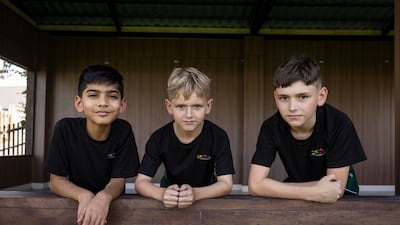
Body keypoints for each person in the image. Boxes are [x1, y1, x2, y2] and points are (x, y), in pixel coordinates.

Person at [248, 55, 367, 203]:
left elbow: (334, 188)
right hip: (301, 189)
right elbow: (254, 185)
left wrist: (276, 188)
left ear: (321, 96)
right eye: (284, 98)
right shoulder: (270, 127)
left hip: (342, 196)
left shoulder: (338, 123)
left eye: (302, 97)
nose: (292, 108)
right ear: (275, 97)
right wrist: (311, 192)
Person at [45, 65, 140, 225]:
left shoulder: (123, 130)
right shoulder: (65, 129)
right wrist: (84, 196)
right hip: (76, 200)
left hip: (112, 202)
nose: (103, 103)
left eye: (112, 96)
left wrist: (103, 197)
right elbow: (56, 181)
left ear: (122, 105)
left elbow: (118, 180)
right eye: (93, 95)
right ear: (79, 102)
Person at [135, 67, 235, 208]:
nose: (189, 114)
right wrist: (162, 194)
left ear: (208, 106)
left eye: (197, 106)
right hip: (170, 192)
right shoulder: (159, 138)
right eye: (181, 106)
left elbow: (226, 184)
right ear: (169, 107)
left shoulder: (218, 136)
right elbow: (141, 182)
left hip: (206, 192)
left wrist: (196, 194)